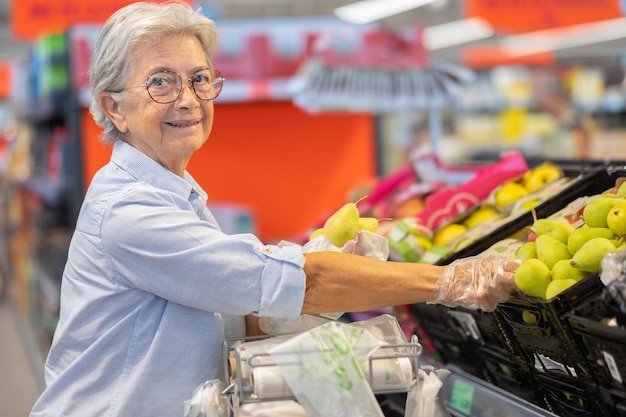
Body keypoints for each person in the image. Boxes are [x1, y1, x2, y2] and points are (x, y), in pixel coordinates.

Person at [29, 2, 519, 416]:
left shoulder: (178, 194)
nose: (189, 99)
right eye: (161, 82)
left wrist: (321, 279)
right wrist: (449, 280)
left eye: (199, 78)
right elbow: (303, 282)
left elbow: (236, 317)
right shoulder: (129, 209)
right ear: (114, 108)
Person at [534, 76, 596, 160]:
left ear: (555, 97)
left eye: (542, 97)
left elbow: (582, 154)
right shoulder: (558, 121)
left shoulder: (574, 120)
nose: (540, 102)